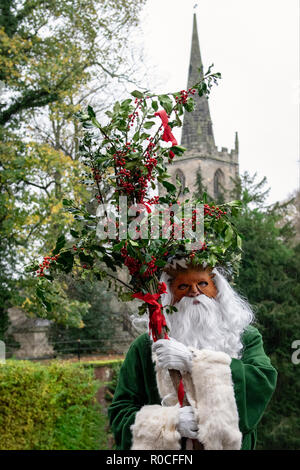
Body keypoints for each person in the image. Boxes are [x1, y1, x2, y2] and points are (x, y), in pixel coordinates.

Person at [108, 258, 277, 450]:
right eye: (183, 286)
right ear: (168, 295)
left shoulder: (244, 336)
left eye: (203, 283)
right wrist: (169, 423)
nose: (194, 291)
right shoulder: (146, 346)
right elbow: (120, 413)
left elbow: (261, 381)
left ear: (218, 289)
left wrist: (195, 361)